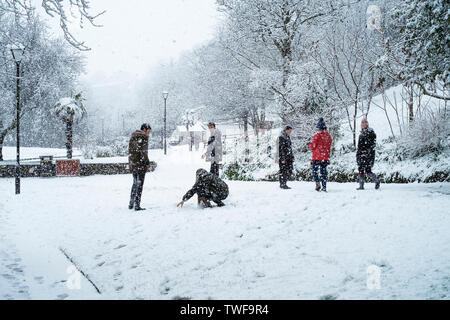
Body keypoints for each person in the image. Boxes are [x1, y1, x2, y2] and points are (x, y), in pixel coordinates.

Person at [128, 123, 152, 211]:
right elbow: (144, 153)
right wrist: (148, 164)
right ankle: (137, 205)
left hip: (133, 164)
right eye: (148, 131)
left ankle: (131, 203)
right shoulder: (143, 137)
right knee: (139, 185)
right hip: (140, 165)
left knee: (135, 183)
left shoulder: (133, 137)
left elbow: (131, 152)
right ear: (144, 129)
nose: (149, 133)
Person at [309, 118, 332, 192]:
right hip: (325, 157)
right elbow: (329, 146)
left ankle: (317, 183)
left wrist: (309, 145)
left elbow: (313, 146)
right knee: (323, 172)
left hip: (317, 157)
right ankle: (324, 187)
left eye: (318, 128)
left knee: (314, 171)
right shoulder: (328, 136)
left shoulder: (317, 135)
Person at [356, 118, 380, 190]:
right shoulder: (361, 134)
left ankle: (376, 181)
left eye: (364, 123)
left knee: (367, 170)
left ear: (367, 124)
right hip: (361, 155)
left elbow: (372, 145)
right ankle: (361, 185)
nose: (363, 124)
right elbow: (359, 146)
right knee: (361, 170)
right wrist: (358, 154)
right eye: (362, 123)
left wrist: (367, 152)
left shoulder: (371, 133)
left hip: (368, 155)